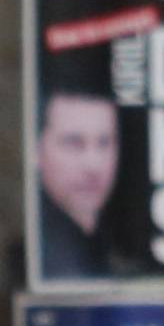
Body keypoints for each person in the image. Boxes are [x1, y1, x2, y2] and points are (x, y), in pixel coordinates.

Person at [34, 76, 124, 280]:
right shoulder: (37, 250)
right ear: (36, 151)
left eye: (104, 143)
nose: (93, 165)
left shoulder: (109, 245)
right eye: (74, 143)